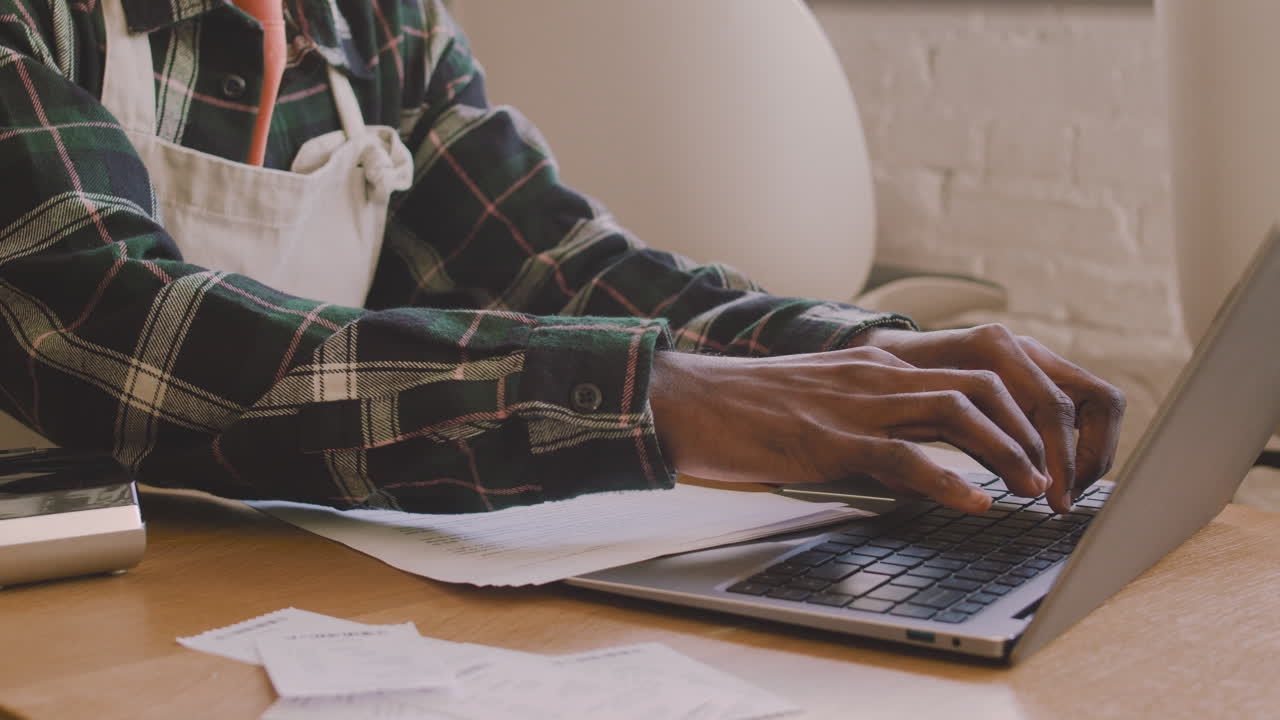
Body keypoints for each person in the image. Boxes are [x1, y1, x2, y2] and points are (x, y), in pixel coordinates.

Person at [0, 0, 1123, 518]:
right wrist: (656, 397)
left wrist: (873, 361)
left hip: (285, 602)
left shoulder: (381, 23)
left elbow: (555, 262)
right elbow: (116, 327)